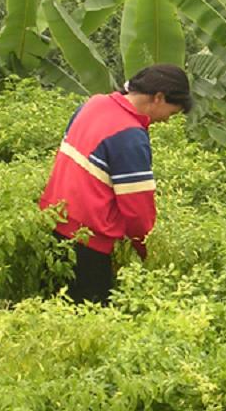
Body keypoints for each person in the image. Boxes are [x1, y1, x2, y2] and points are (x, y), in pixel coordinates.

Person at [40, 64, 192, 305]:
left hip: (53, 224)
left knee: (54, 308)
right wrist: (144, 249)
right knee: (89, 318)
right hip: (89, 243)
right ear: (159, 98)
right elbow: (137, 209)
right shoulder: (130, 136)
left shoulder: (94, 104)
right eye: (171, 113)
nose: (165, 121)